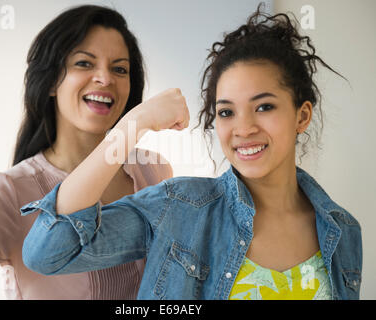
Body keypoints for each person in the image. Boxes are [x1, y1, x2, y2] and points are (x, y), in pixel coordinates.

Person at [21, 6, 362, 300]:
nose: (243, 129)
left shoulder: (343, 231)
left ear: (301, 116)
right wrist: (131, 126)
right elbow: (47, 253)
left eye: (264, 107)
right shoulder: (179, 208)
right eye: (226, 112)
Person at [0, 5, 173, 300]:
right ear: (51, 81)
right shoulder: (9, 192)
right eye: (84, 64)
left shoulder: (153, 170)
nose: (105, 79)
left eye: (119, 69)